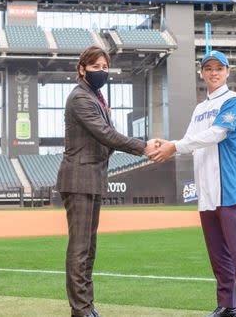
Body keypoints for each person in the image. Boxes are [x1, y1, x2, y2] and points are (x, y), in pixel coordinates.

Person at [150, 50, 236, 317]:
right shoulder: (199, 109)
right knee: (218, 254)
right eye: (208, 68)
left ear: (227, 72)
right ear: (202, 73)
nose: (213, 72)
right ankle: (227, 304)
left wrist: (174, 146)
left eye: (218, 68)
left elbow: (216, 134)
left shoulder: (235, 100)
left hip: (231, 186)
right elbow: (188, 141)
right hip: (207, 191)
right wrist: (165, 146)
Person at [56, 45, 157, 317]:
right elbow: (106, 135)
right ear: (81, 69)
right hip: (79, 177)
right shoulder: (81, 97)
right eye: (96, 67)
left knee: (88, 247)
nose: (102, 71)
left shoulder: (94, 96)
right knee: (80, 248)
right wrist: (144, 146)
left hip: (91, 177)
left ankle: (86, 305)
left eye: (105, 67)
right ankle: (81, 309)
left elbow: (106, 138)